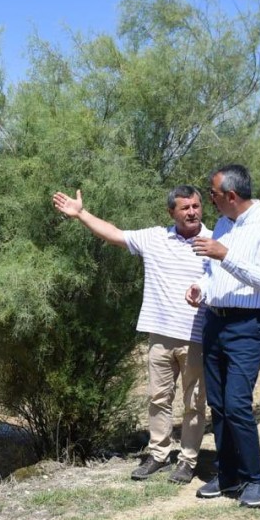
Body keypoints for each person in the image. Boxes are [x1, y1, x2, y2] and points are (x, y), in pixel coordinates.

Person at [52, 186, 208, 482]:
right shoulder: (155, 237)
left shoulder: (214, 240)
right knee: (158, 398)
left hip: (197, 336)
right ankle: (159, 454)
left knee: (194, 403)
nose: (192, 212)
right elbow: (114, 234)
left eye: (196, 206)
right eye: (185, 207)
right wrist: (81, 214)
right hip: (160, 335)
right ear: (171, 212)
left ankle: (188, 460)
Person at [184, 165, 260, 508]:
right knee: (219, 404)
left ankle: (255, 479)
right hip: (215, 320)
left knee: (238, 402)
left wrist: (225, 254)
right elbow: (215, 275)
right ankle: (228, 475)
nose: (208, 200)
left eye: (211, 194)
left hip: (248, 325)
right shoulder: (224, 225)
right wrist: (201, 288)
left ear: (230, 195)